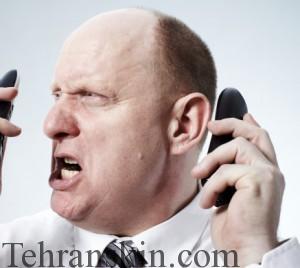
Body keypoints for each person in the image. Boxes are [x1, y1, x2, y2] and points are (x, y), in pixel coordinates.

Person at [0, 8, 299, 268]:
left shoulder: (255, 257)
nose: (51, 125)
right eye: (57, 96)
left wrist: (252, 253)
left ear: (183, 125)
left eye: (91, 95)